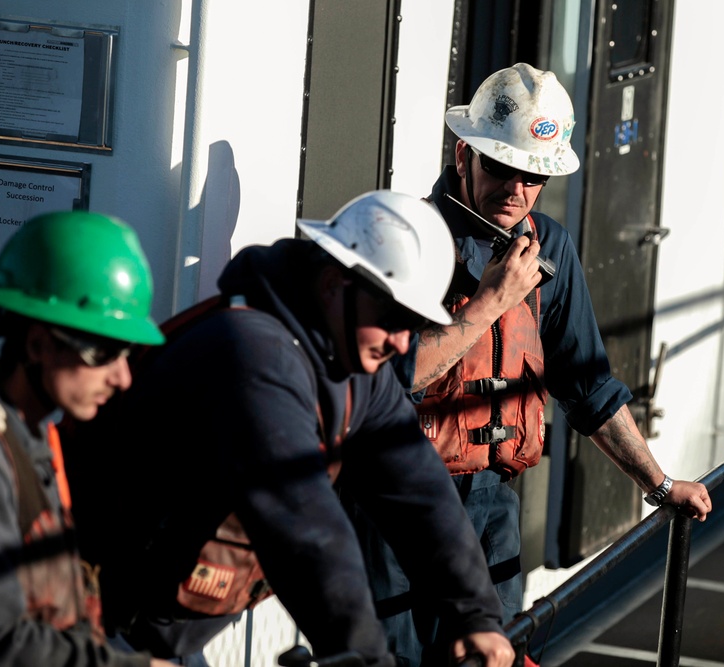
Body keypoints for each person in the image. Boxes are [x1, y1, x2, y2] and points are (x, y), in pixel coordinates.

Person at [63, 191, 517, 667]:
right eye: (393, 318)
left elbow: (419, 492)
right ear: (331, 285)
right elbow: (306, 525)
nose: (403, 341)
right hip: (91, 629)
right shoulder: (252, 355)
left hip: (165, 637)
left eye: (417, 322)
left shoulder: (356, 370)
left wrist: (477, 617)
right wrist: (361, 656)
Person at [356, 63, 714, 666]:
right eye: (501, 166)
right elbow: (385, 379)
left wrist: (657, 483)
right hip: (396, 507)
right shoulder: (405, 239)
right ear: (463, 153)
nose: (516, 189)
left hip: (491, 511)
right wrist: (494, 299)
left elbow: (588, 386)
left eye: (534, 175)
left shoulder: (550, 249)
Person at [0, 211, 175, 666]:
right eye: (105, 351)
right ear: (37, 344)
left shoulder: (30, 434)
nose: (123, 377)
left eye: (130, 352)